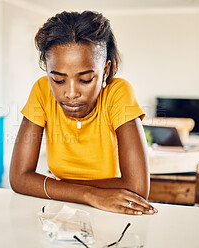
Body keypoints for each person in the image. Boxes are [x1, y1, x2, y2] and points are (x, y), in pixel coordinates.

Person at [10, 10, 157, 215]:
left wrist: (54, 185)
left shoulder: (118, 94)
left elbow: (138, 188)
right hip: (60, 210)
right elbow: (19, 178)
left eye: (86, 79)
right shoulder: (42, 91)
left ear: (105, 71)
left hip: (110, 212)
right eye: (58, 80)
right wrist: (89, 194)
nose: (71, 93)